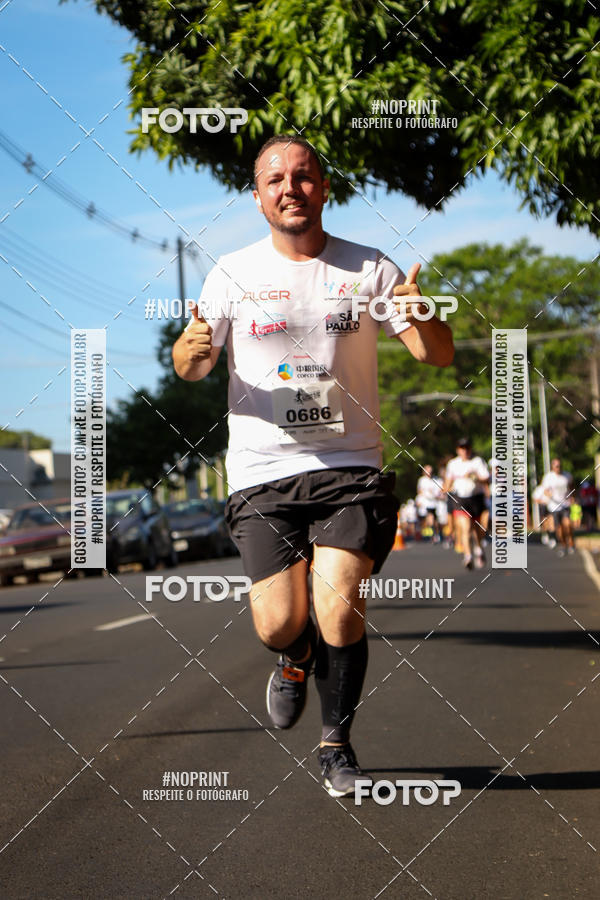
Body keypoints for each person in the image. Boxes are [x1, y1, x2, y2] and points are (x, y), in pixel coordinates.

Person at [172, 134, 454, 797]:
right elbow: (192, 367)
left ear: (324, 188)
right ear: (258, 197)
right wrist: (187, 348)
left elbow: (434, 356)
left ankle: (336, 745)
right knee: (279, 623)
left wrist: (426, 318)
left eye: (303, 176)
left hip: (350, 467)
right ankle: (296, 661)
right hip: (261, 473)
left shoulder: (370, 268)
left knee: (340, 608)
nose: (290, 187)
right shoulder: (231, 274)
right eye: (275, 179)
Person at [443, 437, 490, 569]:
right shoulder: (453, 464)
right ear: (458, 450)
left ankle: (479, 549)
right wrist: (445, 489)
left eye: (467, 448)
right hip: (461, 499)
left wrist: (475, 476)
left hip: (476, 498)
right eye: (462, 448)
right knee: (466, 528)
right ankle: (468, 556)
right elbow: (447, 482)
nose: (465, 451)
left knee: (479, 529)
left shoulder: (477, 462)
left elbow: (485, 478)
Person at [540, 458, 575, 555]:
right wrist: (550, 495)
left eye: (559, 466)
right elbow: (545, 490)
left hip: (565, 504)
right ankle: (564, 546)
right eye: (556, 466)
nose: (558, 468)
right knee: (559, 529)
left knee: (567, 524)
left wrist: (572, 497)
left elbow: (572, 486)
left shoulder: (567, 476)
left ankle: (571, 543)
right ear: (552, 467)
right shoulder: (548, 477)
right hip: (554, 506)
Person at [416, 464, 443, 542]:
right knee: (430, 518)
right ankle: (433, 534)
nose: (429, 473)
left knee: (436, 521)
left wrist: (436, 494)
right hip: (427, 503)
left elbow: (441, 490)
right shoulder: (422, 480)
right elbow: (419, 491)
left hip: (436, 503)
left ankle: (437, 533)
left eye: (430, 471)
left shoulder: (437, 480)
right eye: (427, 471)